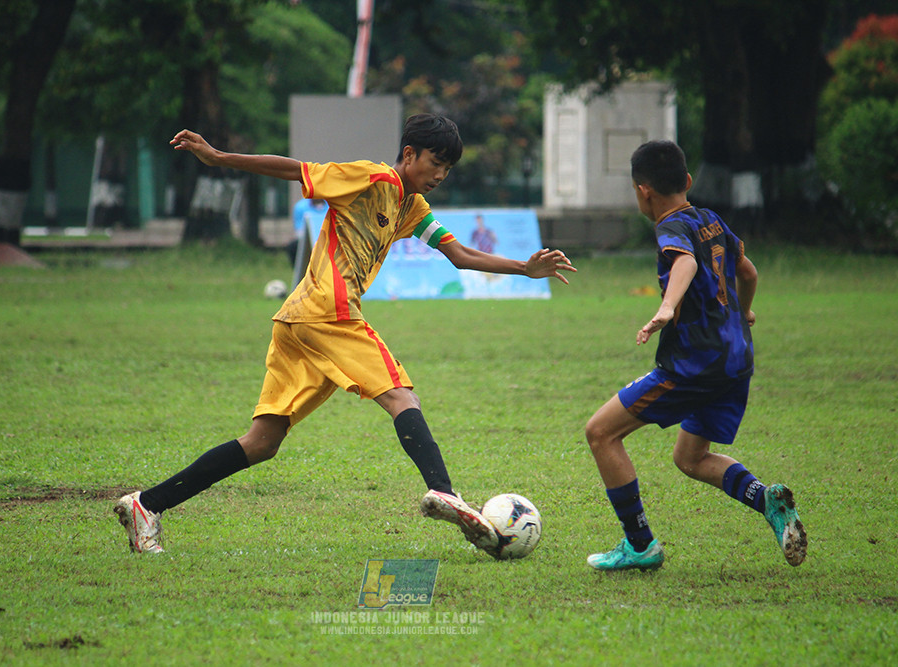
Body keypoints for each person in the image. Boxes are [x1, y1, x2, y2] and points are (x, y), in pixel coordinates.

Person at [114, 114, 577, 556]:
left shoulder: (411, 207)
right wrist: (220, 157)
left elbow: (457, 255)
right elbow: (297, 170)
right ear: (409, 154)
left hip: (298, 321)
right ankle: (444, 492)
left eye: (448, 168)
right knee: (401, 397)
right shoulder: (372, 178)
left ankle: (146, 505)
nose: (441, 174)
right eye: (436, 162)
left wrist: (523, 268)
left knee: (261, 443)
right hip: (327, 312)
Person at [583, 140, 806, 571]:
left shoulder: (670, 228)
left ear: (642, 190)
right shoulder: (711, 219)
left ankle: (640, 545)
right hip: (736, 360)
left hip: (694, 364)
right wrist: (740, 312)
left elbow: (683, 263)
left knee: (600, 433)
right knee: (690, 458)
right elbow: (748, 271)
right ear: (687, 181)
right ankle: (768, 500)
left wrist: (667, 306)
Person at [285, 197, 327, 263]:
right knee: (293, 246)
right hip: (309, 240)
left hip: (329, 238)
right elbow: (299, 231)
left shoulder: (332, 205)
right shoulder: (300, 207)